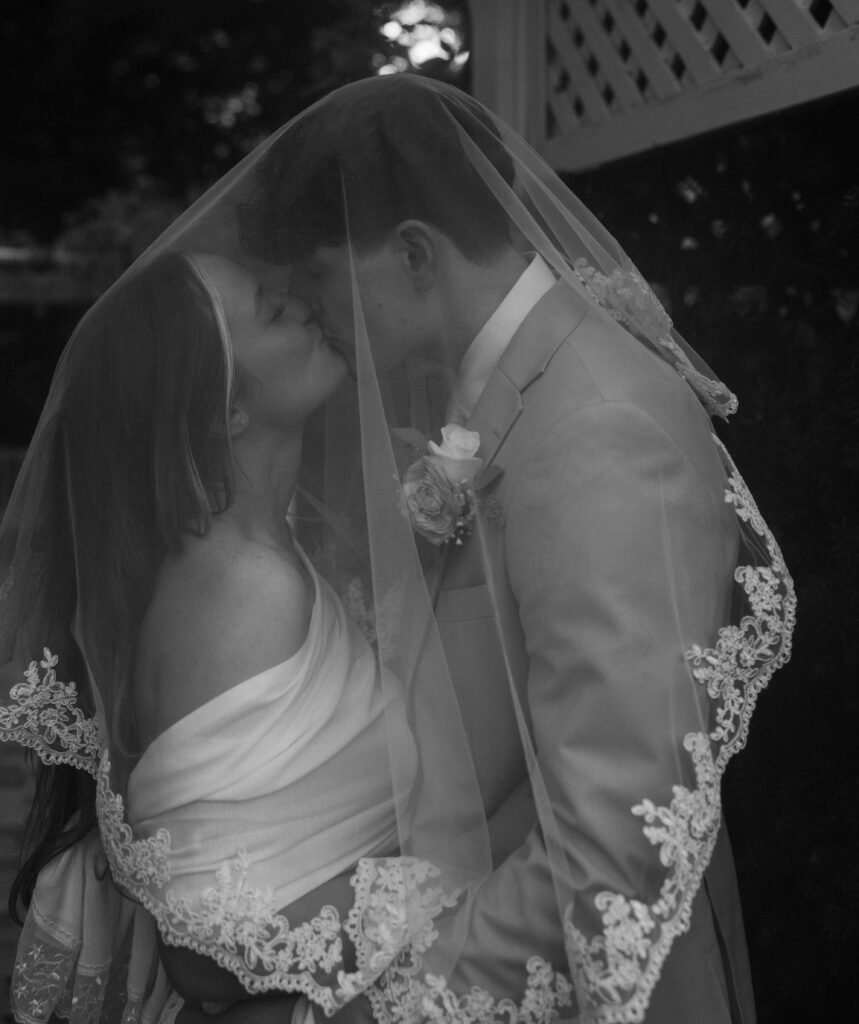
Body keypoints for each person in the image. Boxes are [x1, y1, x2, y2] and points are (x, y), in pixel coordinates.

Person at [232, 73, 797, 1023]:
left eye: (322, 278)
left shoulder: (599, 429)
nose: (313, 310)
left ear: (414, 253)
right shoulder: (508, 384)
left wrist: (381, 1008)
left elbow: (618, 839)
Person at [0, 247, 491, 1024]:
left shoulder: (276, 551)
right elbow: (204, 953)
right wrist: (468, 884)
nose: (302, 303)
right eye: (270, 310)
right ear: (225, 410)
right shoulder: (245, 591)